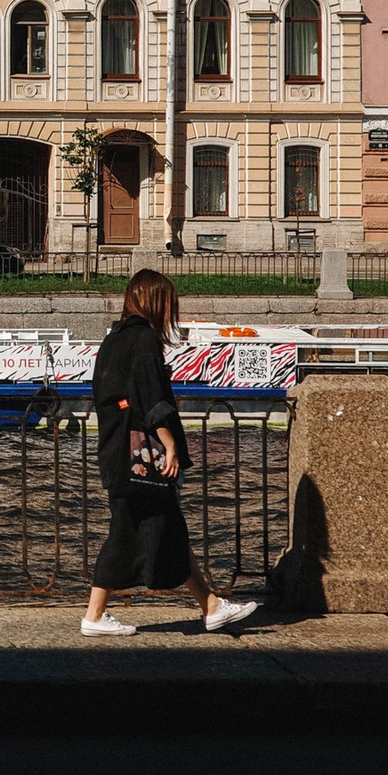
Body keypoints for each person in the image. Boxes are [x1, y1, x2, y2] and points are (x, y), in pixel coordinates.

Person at [81, 269, 259, 637]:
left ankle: (211, 606)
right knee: (127, 532)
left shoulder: (114, 338)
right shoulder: (145, 340)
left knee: (168, 528)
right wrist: (171, 442)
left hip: (118, 452)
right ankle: (94, 616)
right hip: (141, 457)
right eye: (169, 303)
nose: (171, 311)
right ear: (158, 302)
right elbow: (152, 397)